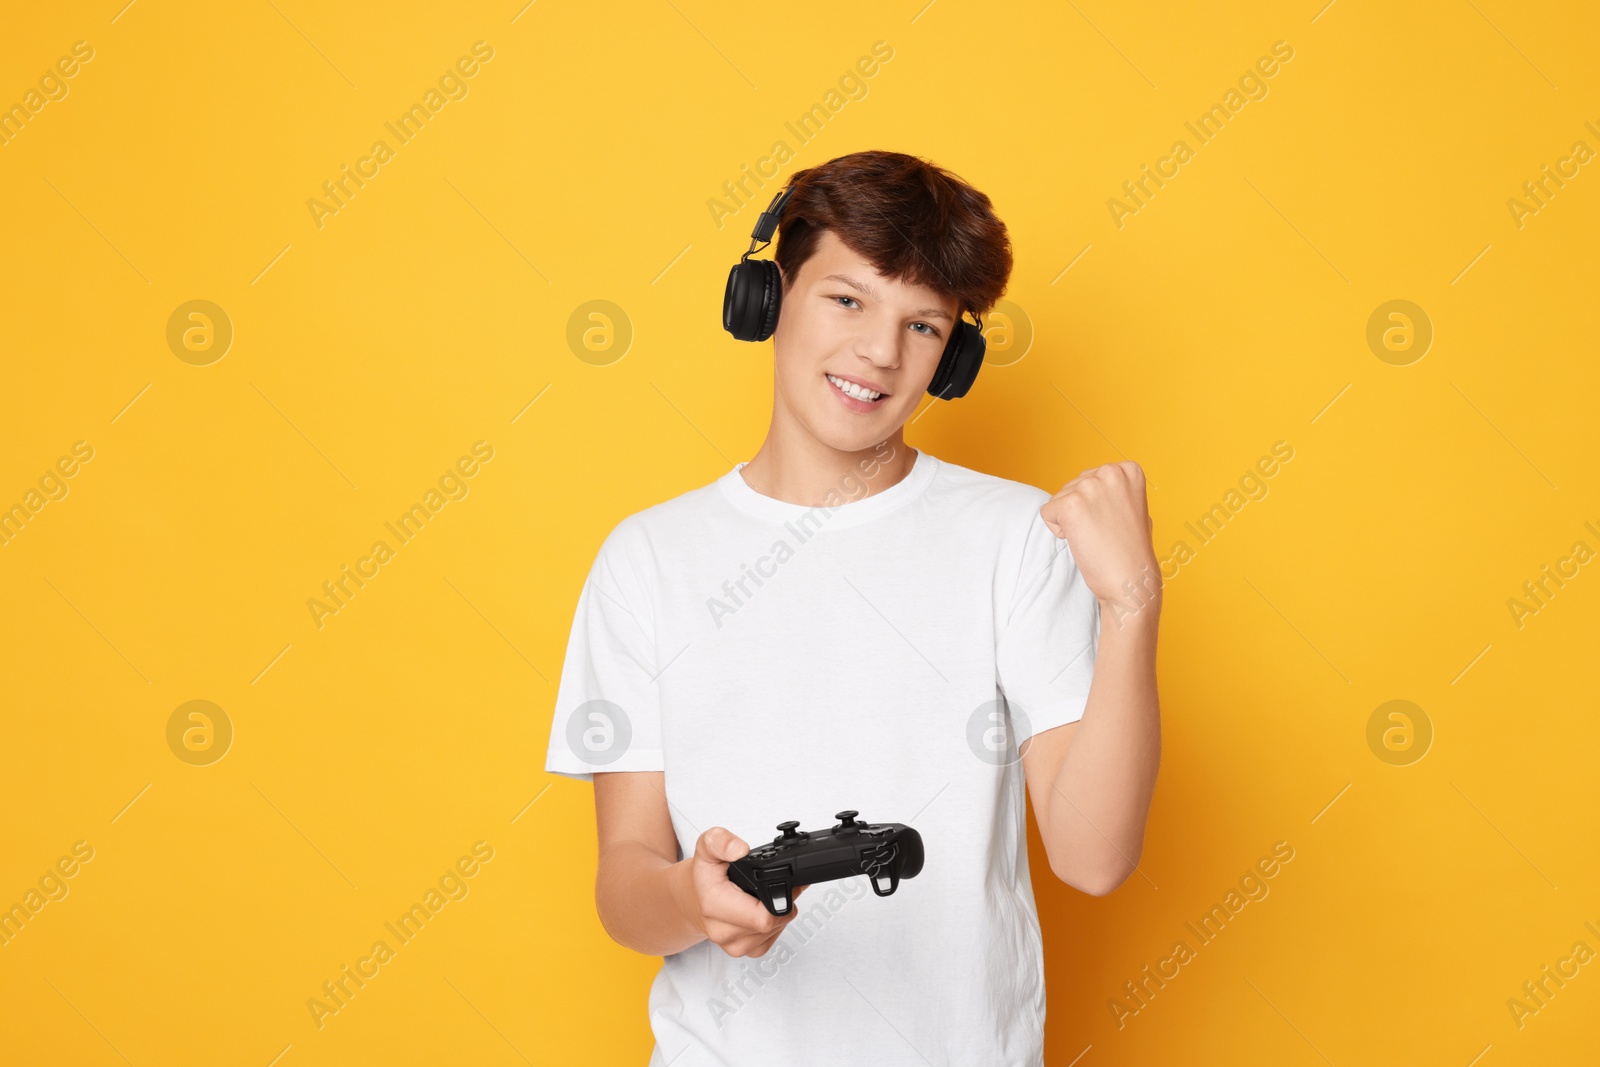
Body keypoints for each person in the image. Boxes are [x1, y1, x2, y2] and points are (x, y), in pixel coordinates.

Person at [543, 149, 1162, 1066]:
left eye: (923, 324)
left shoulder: (1017, 538)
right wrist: (692, 900)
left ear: (953, 358)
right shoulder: (647, 560)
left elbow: (1093, 857)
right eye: (847, 299)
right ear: (767, 296)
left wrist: (1132, 604)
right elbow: (622, 886)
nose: (880, 351)